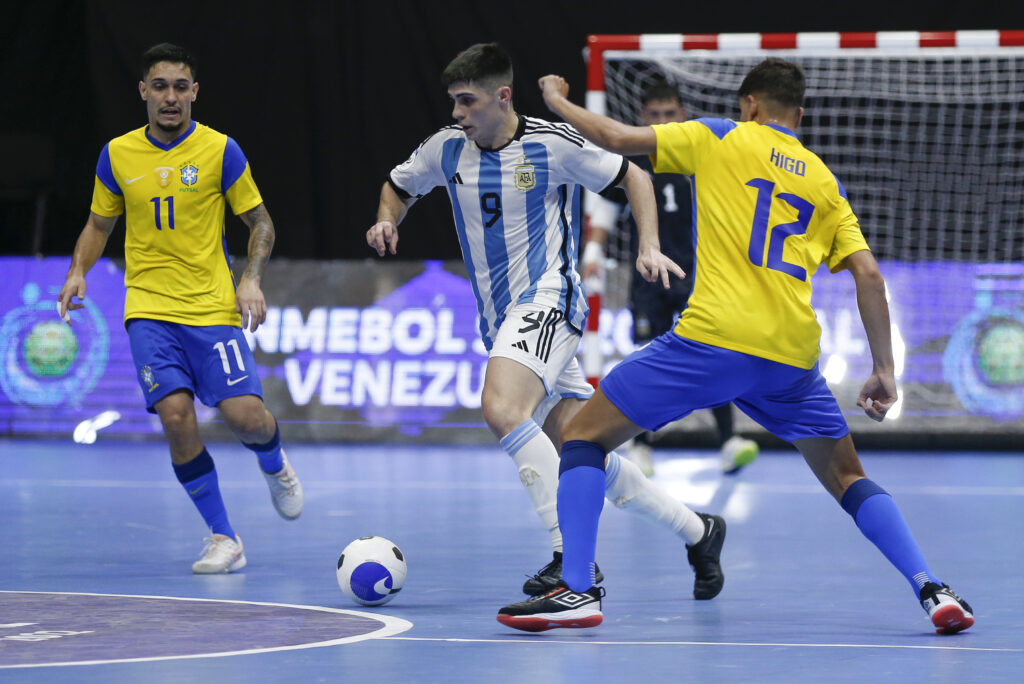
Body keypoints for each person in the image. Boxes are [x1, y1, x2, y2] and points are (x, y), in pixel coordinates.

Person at [497, 58, 973, 634]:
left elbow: (618, 139)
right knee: (849, 478)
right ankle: (933, 588)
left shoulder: (721, 135)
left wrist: (557, 101)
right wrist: (884, 372)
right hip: (790, 361)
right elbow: (869, 277)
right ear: (798, 115)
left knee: (581, 436)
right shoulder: (823, 179)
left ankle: (577, 590)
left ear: (749, 104)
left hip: (712, 341)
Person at [368, 42, 726, 601]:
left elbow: (634, 175)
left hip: (549, 299)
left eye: (468, 101)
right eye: (454, 102)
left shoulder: (550, 144)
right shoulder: (446, 150)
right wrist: (386, 221)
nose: (458, 113)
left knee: (501, 408)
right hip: (499, 318)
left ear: (502, 96)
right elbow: (398, 185)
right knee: (581, 445)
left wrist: (648, 246)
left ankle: (569, 558)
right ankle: (699, 531)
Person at [58, 43, 303, 574]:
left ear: (195, 92)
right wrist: (79, 270)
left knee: (247, 419)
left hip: (212, 308)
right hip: (147, 306)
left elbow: (260, 222)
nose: (171, 97)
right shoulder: (117, 154)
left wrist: (251, 279)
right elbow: (99, 225)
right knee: (175, 416)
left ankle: (274, 460)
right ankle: (223, 536)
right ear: (144, 92)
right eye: (161, 86)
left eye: (181, 87)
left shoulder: (221, 150)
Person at [583, 82, 759, 476]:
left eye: (670, 114)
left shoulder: (702, 155)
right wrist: (592, 253)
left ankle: (729, 441)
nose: (663, 122)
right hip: (649, 279)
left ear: (683, 115)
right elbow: (608, 213)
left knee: (712, 356)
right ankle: (642, 446)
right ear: (644, 118)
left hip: (700, 277)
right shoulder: (633, 159)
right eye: (655, 115)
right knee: (648, 360)